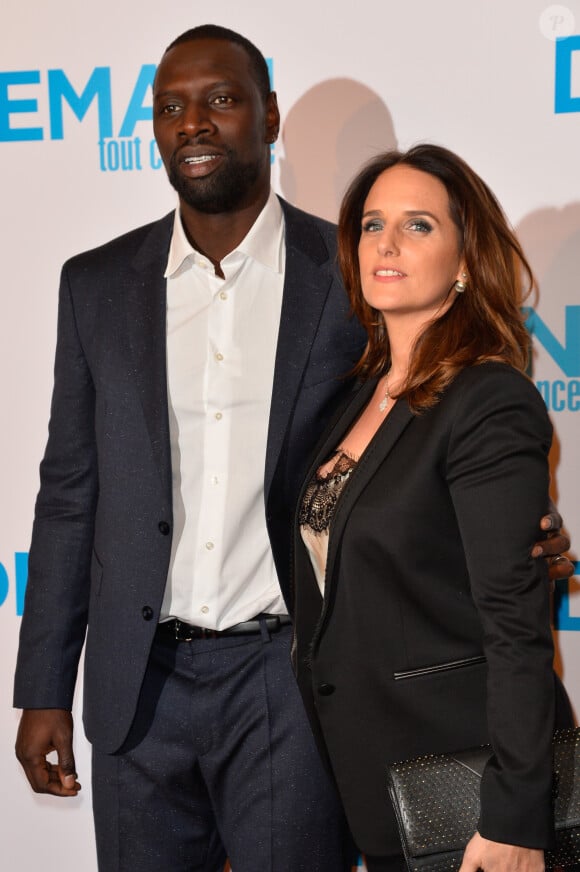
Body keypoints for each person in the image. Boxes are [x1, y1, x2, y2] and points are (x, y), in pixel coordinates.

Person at [13, 27, 570, 872]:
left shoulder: (350, 277)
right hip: (136, 686)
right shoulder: (94, 285)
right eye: (170, 107)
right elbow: (69, 494)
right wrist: (44, 686)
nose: (192, 122)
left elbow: (438, 429)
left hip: (289, 682)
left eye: (222, 100)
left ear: (270, 117)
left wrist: (520, 535)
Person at [292, 144, 575, 872]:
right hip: (378, 787)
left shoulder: (487, 399)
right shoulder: (363, 393)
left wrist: (515, 815)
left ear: (462, 259)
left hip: (472, 799)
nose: (386, 243)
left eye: (418, 225)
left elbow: (515, 628)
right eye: (371, 225)